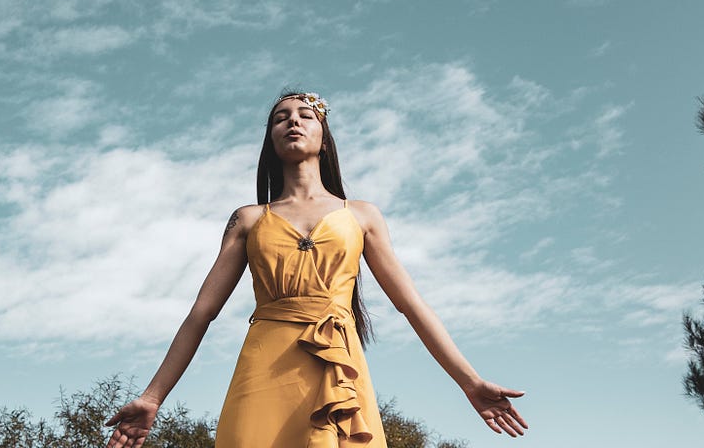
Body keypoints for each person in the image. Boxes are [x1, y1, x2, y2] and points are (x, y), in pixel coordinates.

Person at [105, 92, 528, 447]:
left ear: (324, 138)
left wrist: (469, 382)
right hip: (262, 369)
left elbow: (411, 306)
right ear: (270, 140)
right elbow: (202, 313)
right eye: (280, 119)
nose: (293, 122)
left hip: (339, 369)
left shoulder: (361, 215)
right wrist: (152, 397)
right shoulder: (248, 219)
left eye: (306, 115)